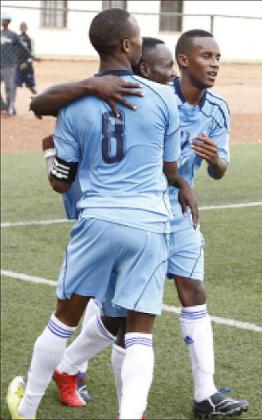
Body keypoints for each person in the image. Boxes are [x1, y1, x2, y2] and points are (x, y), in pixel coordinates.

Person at [33, 33, 249, 419]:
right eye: (207, 56)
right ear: (181, 62)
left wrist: (215, 161)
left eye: (219, 56)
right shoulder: (137, 92)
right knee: (117, 316)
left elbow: (220, 168)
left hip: (180, 213)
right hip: (137, 213)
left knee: (192, 289)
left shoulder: (217, 108)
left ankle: (206, 393)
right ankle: (68, 367)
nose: (216, 64)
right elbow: (46, 106)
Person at [6, 9, 196, 420]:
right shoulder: (164, 96)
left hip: (96, 222)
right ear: (127, 46)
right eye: (139, 37)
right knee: (140, 334)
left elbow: (61, 182)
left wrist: (52, 158)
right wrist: (179, 183)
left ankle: (29, 407)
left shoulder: (75, 104)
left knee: (63, 321)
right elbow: (169, 170)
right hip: (149, 224)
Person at [1, 11, 33, 115]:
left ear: (8, 21)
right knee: (9, 87)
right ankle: (2, 105)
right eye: (1, 19)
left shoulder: (13, 35)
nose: (2, 21)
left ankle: (10, 109)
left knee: (9, 87)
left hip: (9, 65)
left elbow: (24, 47)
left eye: (3, 20)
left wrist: (30, 58)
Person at [16, 22, 37, 95]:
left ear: (27, 29)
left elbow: (33, 54)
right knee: (14, 85)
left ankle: (37, 98)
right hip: (18, 66)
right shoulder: (16, 39)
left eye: (24, 27)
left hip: (28, 67)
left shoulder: (30, 40)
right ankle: (11, 103)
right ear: (20, 29)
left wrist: (26, 63)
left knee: (30, 86)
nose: (23, 29)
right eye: (22, 27)